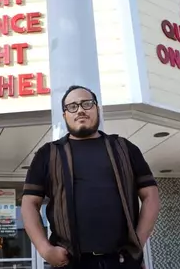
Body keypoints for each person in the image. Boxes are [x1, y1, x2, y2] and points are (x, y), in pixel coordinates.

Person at [21, 85, 160, 268]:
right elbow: (29, 203)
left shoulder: (125, 148)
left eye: (87, 104)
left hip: (122, 261)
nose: (80, 110)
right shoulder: (48, 154)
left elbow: (151, 195)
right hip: (71, 262)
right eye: (72, 106)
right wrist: (45, 249)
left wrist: (138, 243)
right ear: (65, 116)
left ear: (97, 109)